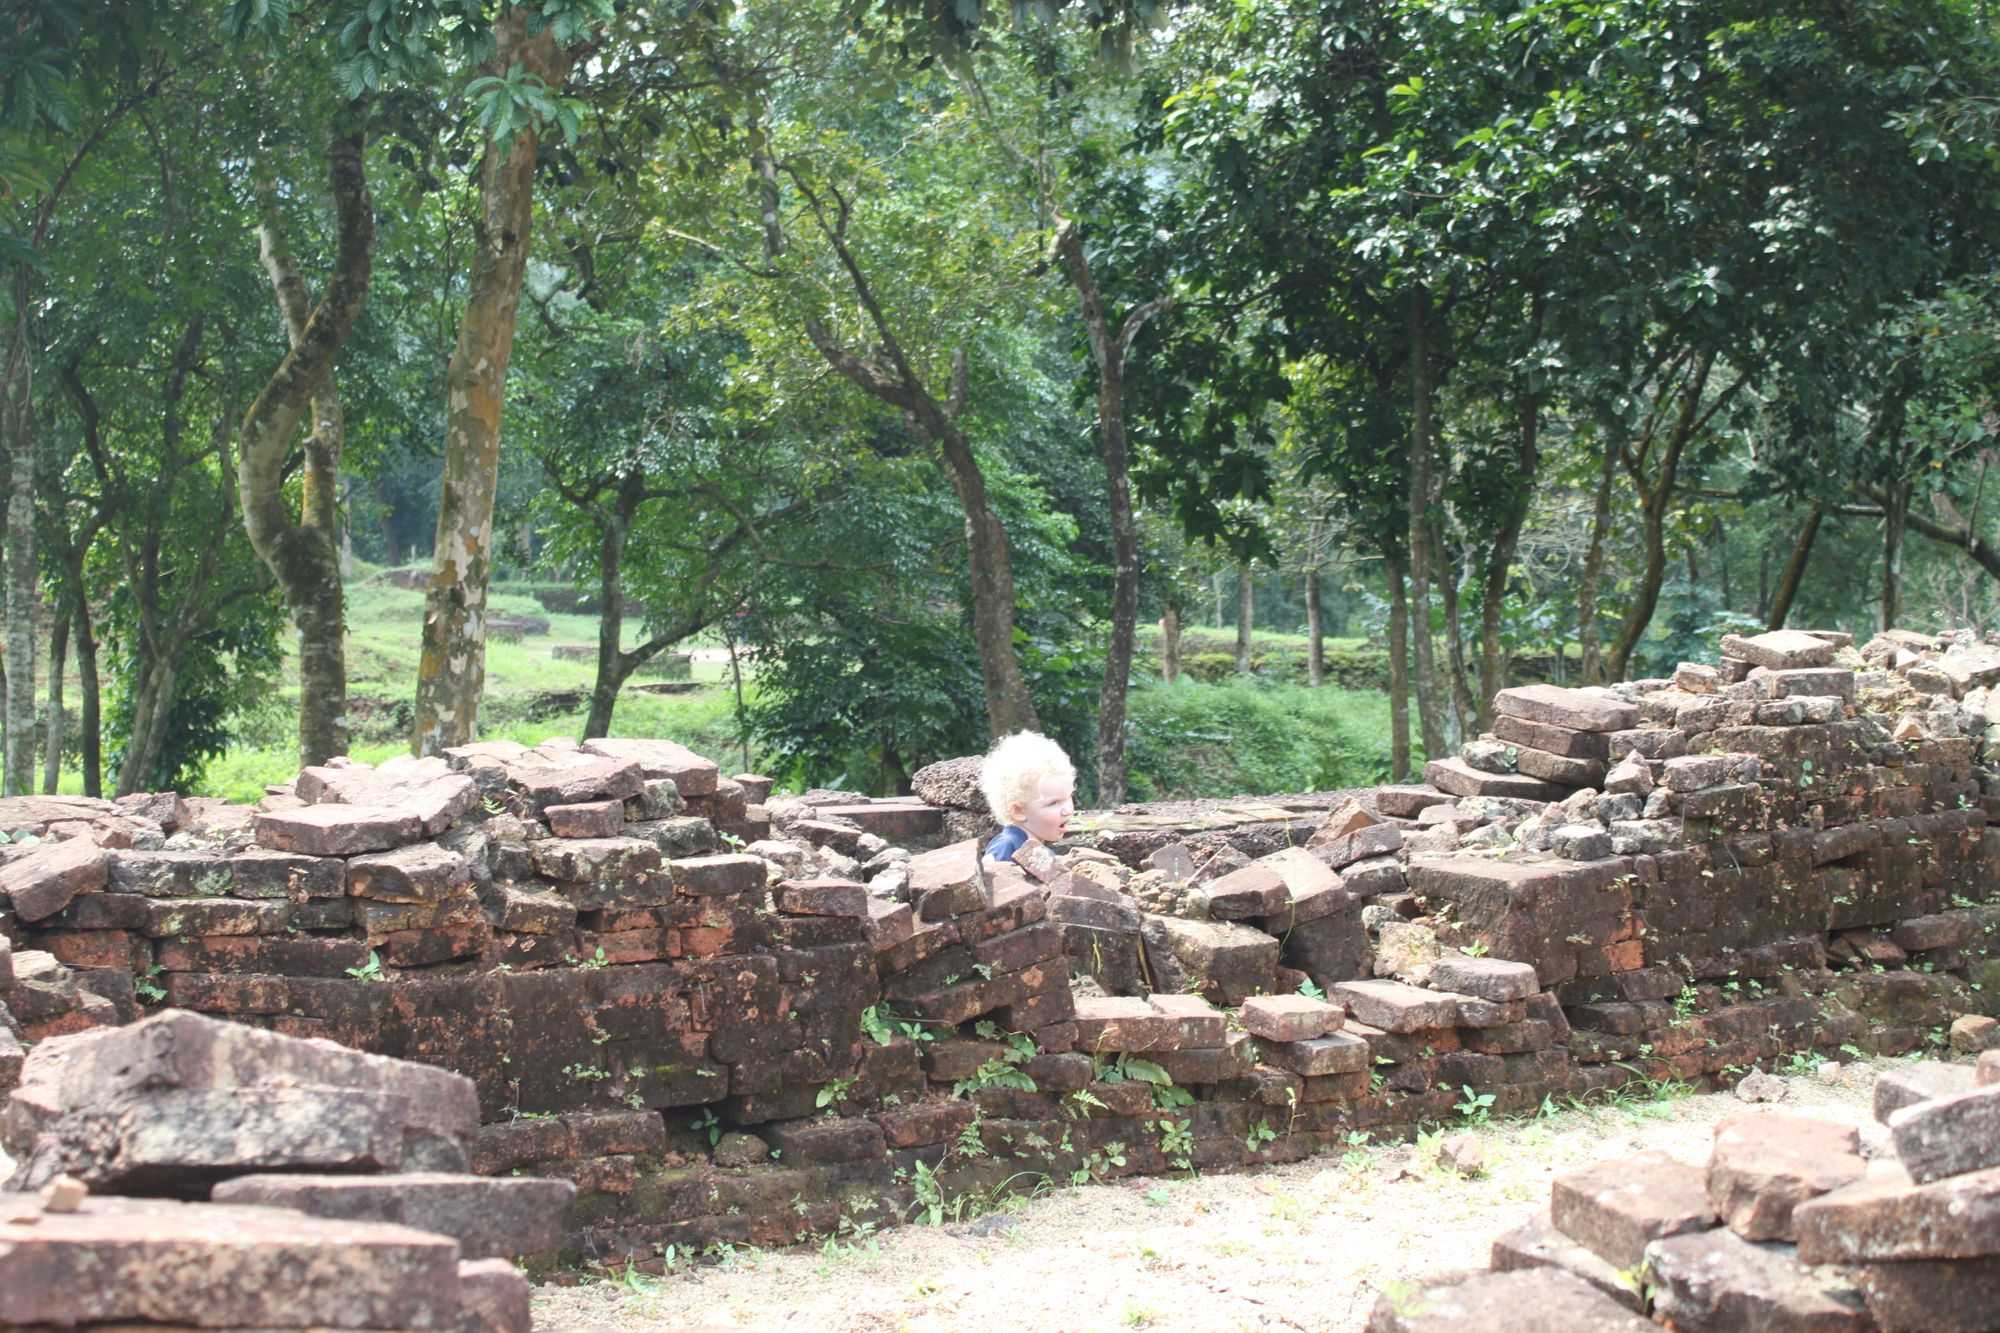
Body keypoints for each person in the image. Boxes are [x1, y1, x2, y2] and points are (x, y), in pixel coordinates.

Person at [979, 731, 1076, 864]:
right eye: (1053, 803)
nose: (1067, 810)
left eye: (1069, 797)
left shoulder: (1042, 849)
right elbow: (990, 880)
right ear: (1018, 811)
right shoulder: (1006, 847)